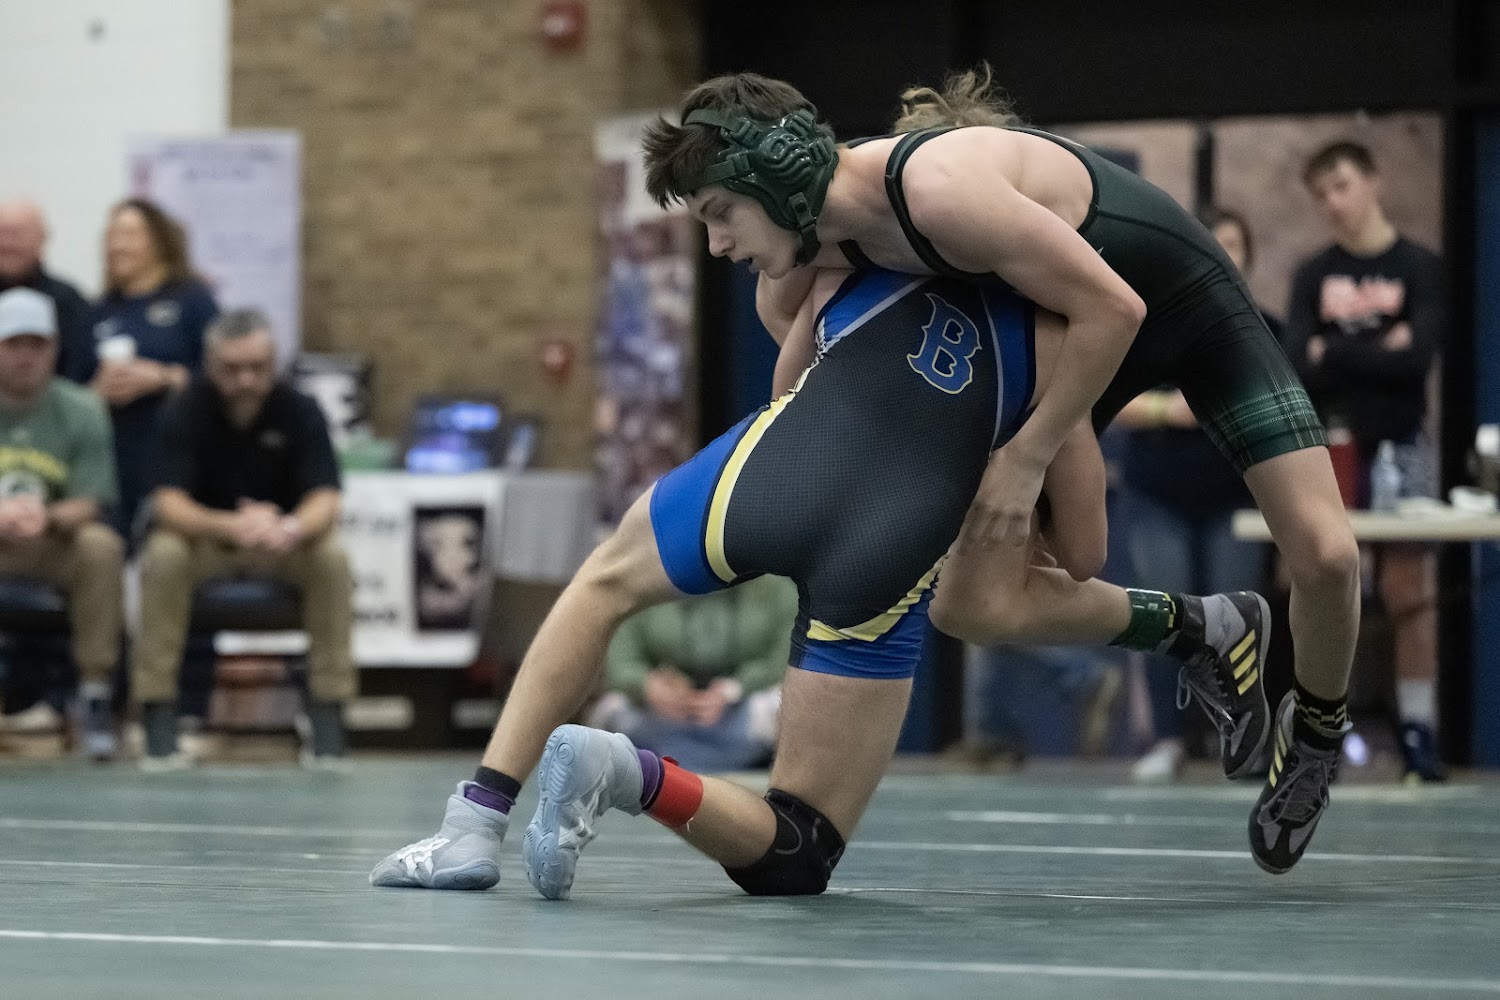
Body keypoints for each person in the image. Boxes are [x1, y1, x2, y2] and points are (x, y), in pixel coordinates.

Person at [370, 255, 1265, 898]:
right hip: (888, 540)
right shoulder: (1054, 333)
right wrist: (1018, 460)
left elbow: (787, 379)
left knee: (603, 583)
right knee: (799, 845)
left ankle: (474, 820)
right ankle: (628, 772)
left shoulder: (851, 258)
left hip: (781, 467)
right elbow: (1085, 555)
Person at [643, 69, 1357, 873]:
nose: (723, 248)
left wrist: (1026, 458)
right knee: (974, 603)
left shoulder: (933, 193)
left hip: (1182, 305)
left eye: (721, 220)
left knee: (1327, 554)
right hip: (1071, 334)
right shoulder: (818, 249)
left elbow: (1118, 309)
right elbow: (803, 391)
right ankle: (1202, 626)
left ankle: (1317, 736)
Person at [1283, 141, 1446, 782]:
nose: (1333, 203)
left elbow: (1417, 359)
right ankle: (1320, 733)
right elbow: (1298, 362)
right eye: (1321, 194)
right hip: (1330, 444)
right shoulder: (1313, 273)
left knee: (1408, 592)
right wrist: (1382, 348)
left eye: (1342, 186)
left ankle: (1418, 735)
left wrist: (1336, 351)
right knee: (1326, 585)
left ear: (1374, 182)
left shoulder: (1418, 266)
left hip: (1402, 442)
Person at [131, 309, 352, 770]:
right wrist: (231, 525)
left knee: (331, 557)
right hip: (208, 541)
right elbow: (169, 503)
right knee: (163, 554)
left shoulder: (300, 409)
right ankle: (159, 716)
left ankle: (328, 716)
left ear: (274, 363)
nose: (246, 380)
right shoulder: (184, 409)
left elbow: (325, 497)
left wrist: (290, 527)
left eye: (257, 368)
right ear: (210, 365)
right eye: (232, 369)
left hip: (281, 543)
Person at [1119, 210, 1272, 782]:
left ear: (1248, 254)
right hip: (1159, 495)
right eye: (1215, 242)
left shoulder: (1263, 328)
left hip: (1236, 500)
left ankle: (1240, 735)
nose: (1225, 251)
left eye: (1234, 242)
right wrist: (1170, 409)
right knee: (1165, 618)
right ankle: (1167, 738)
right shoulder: (1149, 322)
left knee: (1239, 622)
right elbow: (1109, 399)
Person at [0, 288, 125, 759]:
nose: (26, 357)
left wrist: (46, 515)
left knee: (101, 547)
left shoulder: (82, 407)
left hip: (49, 540)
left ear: (54, 348)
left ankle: (94, 693)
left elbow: (92, 500)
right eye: (14, 344)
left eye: (36, 345)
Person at [86, 198, 218, 538]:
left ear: (159, 241)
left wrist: (162, 377)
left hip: (176, 451)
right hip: (115, 456)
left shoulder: (192, 299)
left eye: (130, 235)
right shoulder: (98, 310)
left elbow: (223, 377)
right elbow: (72, 390)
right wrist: (98, 391)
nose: (118, 245)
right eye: (112, 236)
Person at [590, 572, 798, 771]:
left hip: (738, 713)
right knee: (611, 708)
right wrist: (649, 686)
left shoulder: (777, 587)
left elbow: (785, 660)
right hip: (660, 717)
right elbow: (620, 664)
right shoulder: (642, 583)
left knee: (780, 707)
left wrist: (733, 690)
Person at [0, 200, 95, 384]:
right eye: (2, 233)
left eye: (16, 233)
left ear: (42, 238)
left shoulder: (69, 302)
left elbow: (80, 370)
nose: (7, 243)